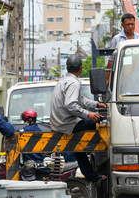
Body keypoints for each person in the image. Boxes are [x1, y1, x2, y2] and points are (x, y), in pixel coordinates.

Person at [50, 55, 107, 185]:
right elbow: (71, 104)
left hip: (59, 123)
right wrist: (89, 115)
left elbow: (80, 100)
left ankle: (93, 177)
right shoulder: (74, 83)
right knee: (104, 122)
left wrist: (97, 104)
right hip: (67, 124)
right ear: (81, 68)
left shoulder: (63, 81)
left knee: (78, 148)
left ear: (67, 68)